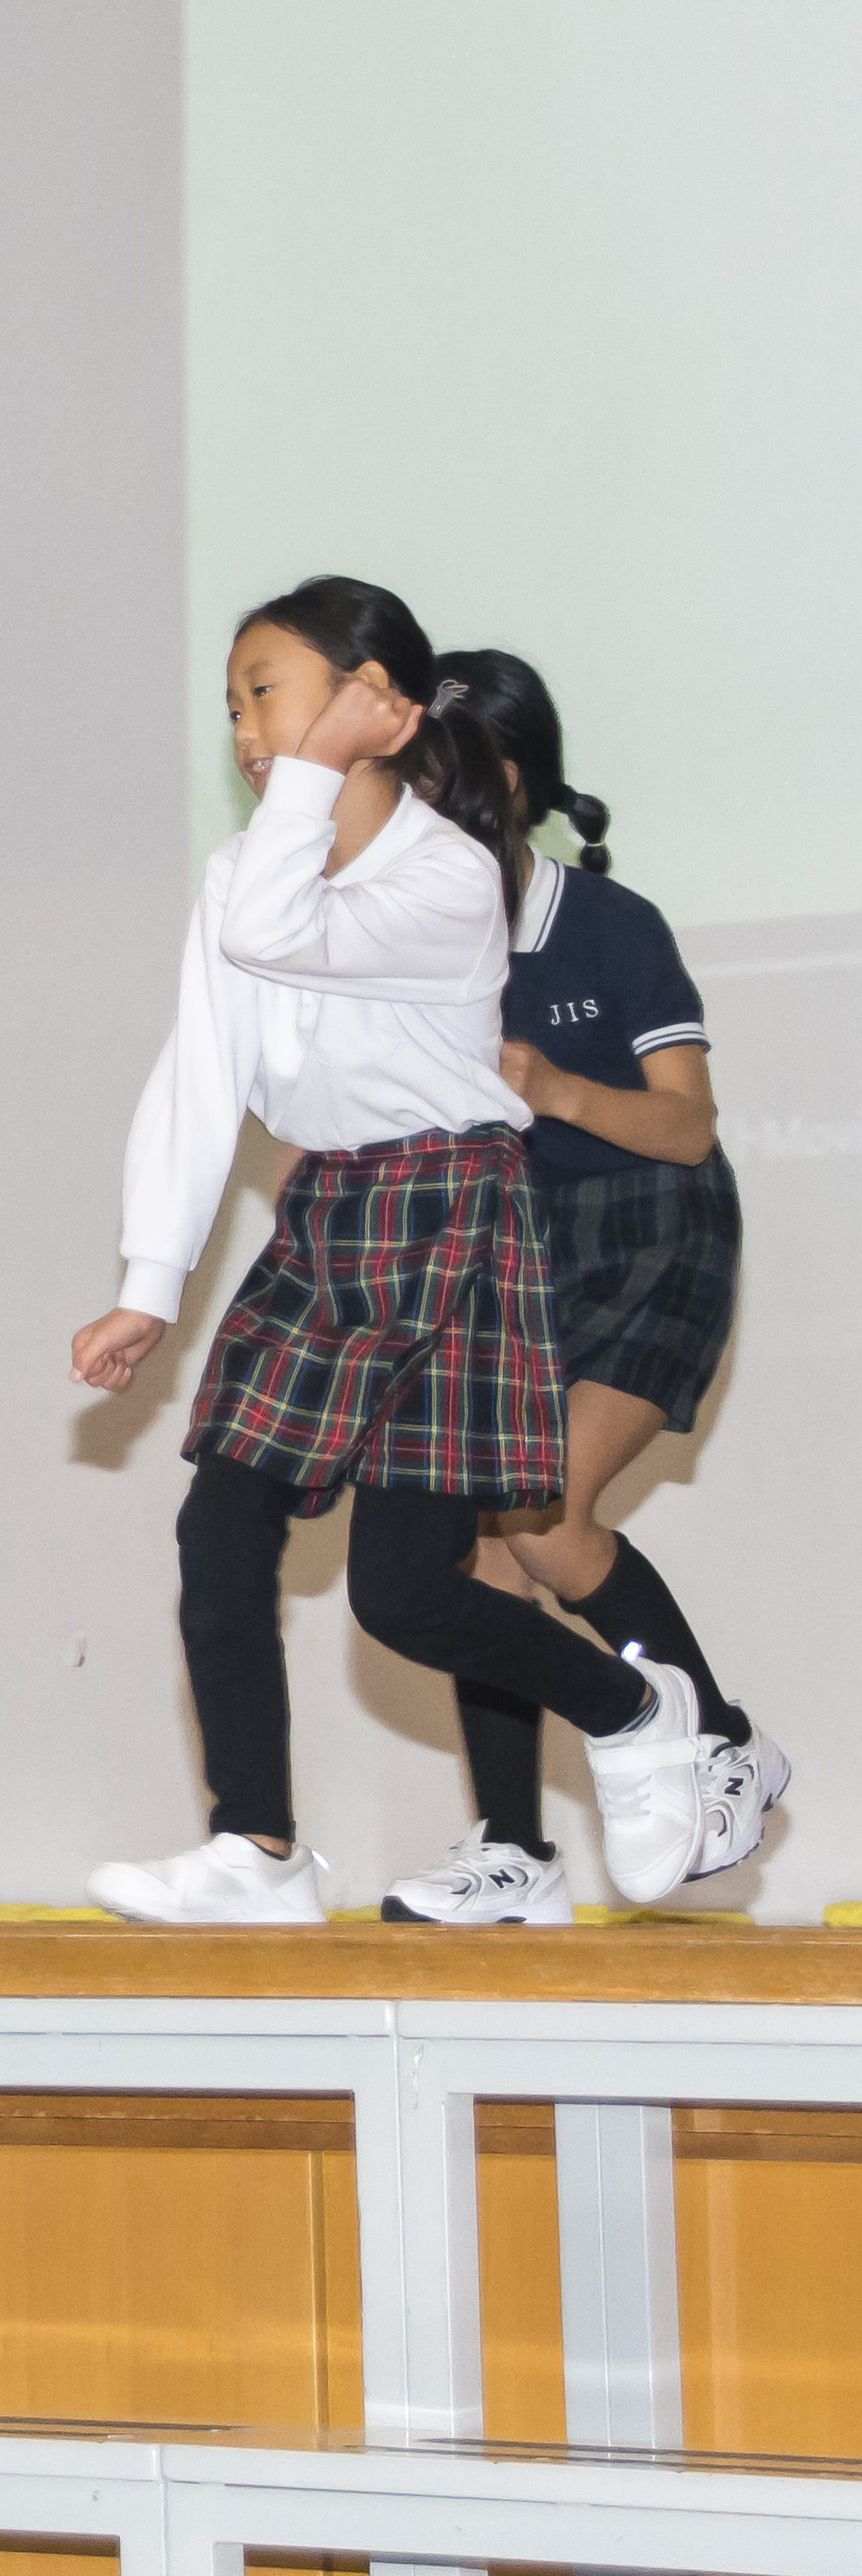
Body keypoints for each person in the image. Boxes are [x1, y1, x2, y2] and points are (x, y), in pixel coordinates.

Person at [72, 577, 707, 1924]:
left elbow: (278, 930)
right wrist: (149, 1284)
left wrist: (313, 769)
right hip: (329, 1214)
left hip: (449, 1210)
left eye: (268, 692)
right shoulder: (242, 871)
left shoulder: (447, 873)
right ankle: (257, 1848)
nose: (247, 730)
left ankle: (636, 1710)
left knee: (405, 1597)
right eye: (231, 704)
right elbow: (200, 1076)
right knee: (218, 1527)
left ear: (379, 705)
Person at [378, 650, 777, 1923]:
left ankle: (716, 1744)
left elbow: (687, 1126)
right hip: (504, 1242)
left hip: (651, 1221)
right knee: (476, 1549)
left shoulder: (609, 924)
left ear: (505, 781)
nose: (407, 806)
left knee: (539, 1512)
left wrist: (550, 1087)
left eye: (430, 779)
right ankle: (515, 1853)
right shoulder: (403, 937)